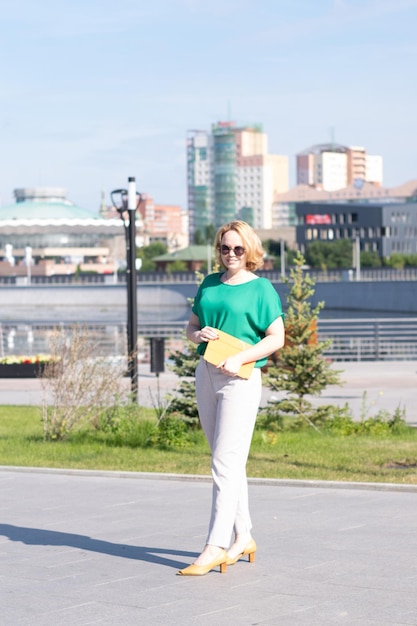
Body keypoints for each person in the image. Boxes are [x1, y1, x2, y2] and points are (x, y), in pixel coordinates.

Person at [177, 220, 285, 576]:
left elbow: (276, 338)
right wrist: (198, 335)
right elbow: (191, 328)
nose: (231, 254)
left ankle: (215, 546)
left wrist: (242, 357)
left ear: (249, 249)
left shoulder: (261, 289)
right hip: (206, 373)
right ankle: (244, 537)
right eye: (225, 248)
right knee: (226, 461)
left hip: (240, 377)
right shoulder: (209, 284)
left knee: (224, 462)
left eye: (238, 248)